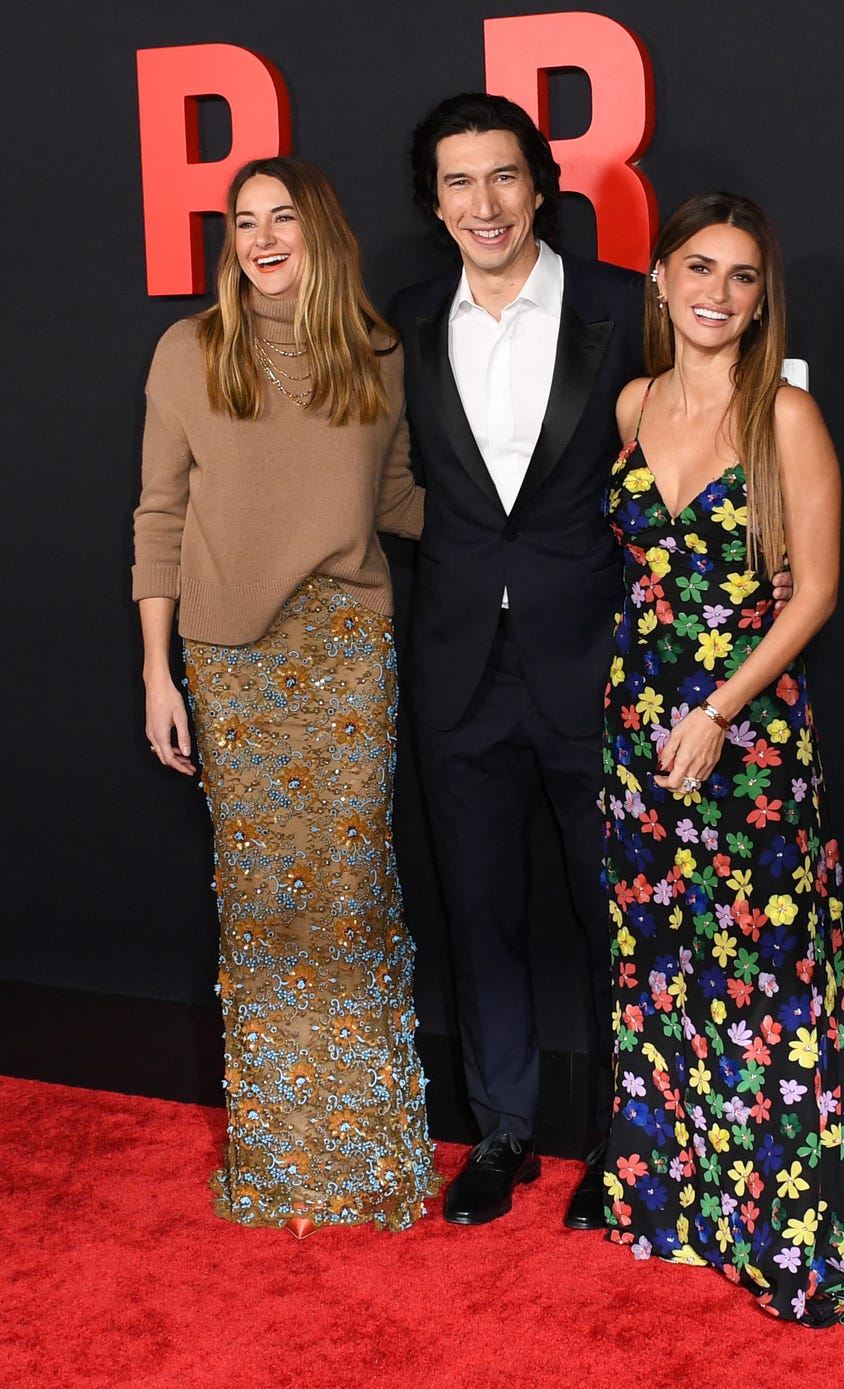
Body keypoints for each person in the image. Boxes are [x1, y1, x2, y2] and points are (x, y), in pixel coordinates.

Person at [132, 155, 438, 1238]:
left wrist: (556, 522)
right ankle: (279, 1163)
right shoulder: (191, 350)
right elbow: (159, 515)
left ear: (320, 234)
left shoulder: (378, 353)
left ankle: (365, 1158)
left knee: (347, 895)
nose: (260, 238)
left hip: (348, 650)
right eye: (242, 221)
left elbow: (399, 496)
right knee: (263, 910)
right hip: (231, 662)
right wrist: (157, 671)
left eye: (281, 219)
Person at [601, 192, 844, 1325]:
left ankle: (783, 1229)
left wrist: (716, 709)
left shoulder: (785, 416)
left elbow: (813, 589)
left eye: (741, 277)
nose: (717, 295)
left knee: (766, 980)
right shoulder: (629, 402)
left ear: (761, 299)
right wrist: (650, 712)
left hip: (746, 733)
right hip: (636, 728)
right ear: (660, 279)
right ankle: (678, 1208)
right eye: (698, 269)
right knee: (663, 968)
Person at [388, 92, 648, 1228]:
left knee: (613, 916)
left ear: (540, 188)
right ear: (433, 202)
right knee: (478, 911)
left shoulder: (618, 307)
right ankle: (499, 1133)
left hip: (593, 660)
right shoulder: (400, 320)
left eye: (502, 177)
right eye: (457, 182)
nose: (482, 203)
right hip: (456, 668)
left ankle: (618, 1145)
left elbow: (706, 437)